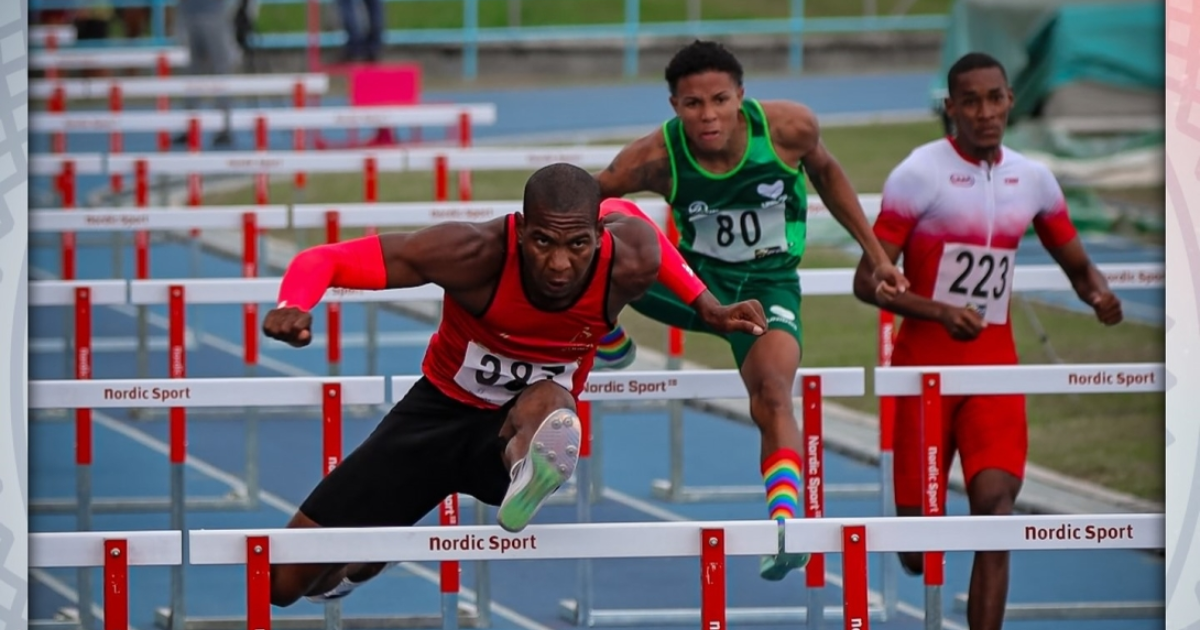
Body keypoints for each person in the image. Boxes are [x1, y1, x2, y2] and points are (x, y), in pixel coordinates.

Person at [260, 163, 769, 606]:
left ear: (599, 235)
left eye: (578, 244)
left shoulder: (628, 258)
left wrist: (707, 305)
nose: (559, 263)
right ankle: (369, 560)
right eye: (543, 242)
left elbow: (640, 230)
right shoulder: (470, 252)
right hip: (434, 417)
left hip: (514, 430)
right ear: (522, 230)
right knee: (282, 585)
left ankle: (532, 469)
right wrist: (292, 303)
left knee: (548, 399)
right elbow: (323, 259)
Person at [590, 39, 909, 581]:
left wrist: (876, 256)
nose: (708, 115)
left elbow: (829, 176)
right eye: (693, 105)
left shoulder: (789, 130)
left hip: (768, 287)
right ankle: (604, 329)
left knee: (771, 393)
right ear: (674, 106)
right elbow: (581, 204)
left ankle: (787, 526)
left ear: (741, 96)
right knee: (618, 243)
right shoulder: (652, 159)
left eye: (719, 99)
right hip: (697, 288)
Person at [851, 52, 1123, 630]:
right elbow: (865, 280)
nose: (984, 112)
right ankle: (914, 534)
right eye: (969, 101)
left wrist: (1098, 294)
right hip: (923, 367)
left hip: (995, 367)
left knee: (996, 512)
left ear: (1009, 101)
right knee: (917, 550)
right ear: (950, 108)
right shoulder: (917, 175)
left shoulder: (1034, 179)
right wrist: (937, 310)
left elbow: (1077, 263)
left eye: (994, 98)